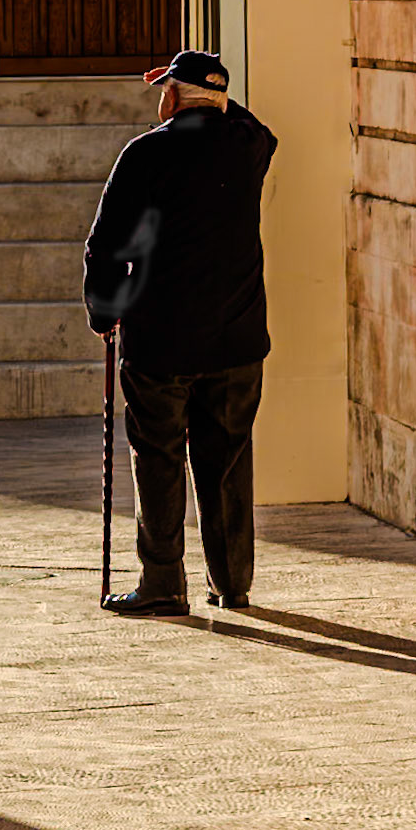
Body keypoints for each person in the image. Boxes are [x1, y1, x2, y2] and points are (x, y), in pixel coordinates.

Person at [83, 50, 277, 617]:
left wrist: (103, 313)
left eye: (165, 89)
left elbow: (106, 245)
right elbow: (249, 121)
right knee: (227, 459)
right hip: (237, 340)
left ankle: (164, 584)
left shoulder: (146, 153)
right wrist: (209, 90)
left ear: (171, 96)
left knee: (159, 457)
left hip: (161, 341)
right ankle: (232, 581)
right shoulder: (249, 146)